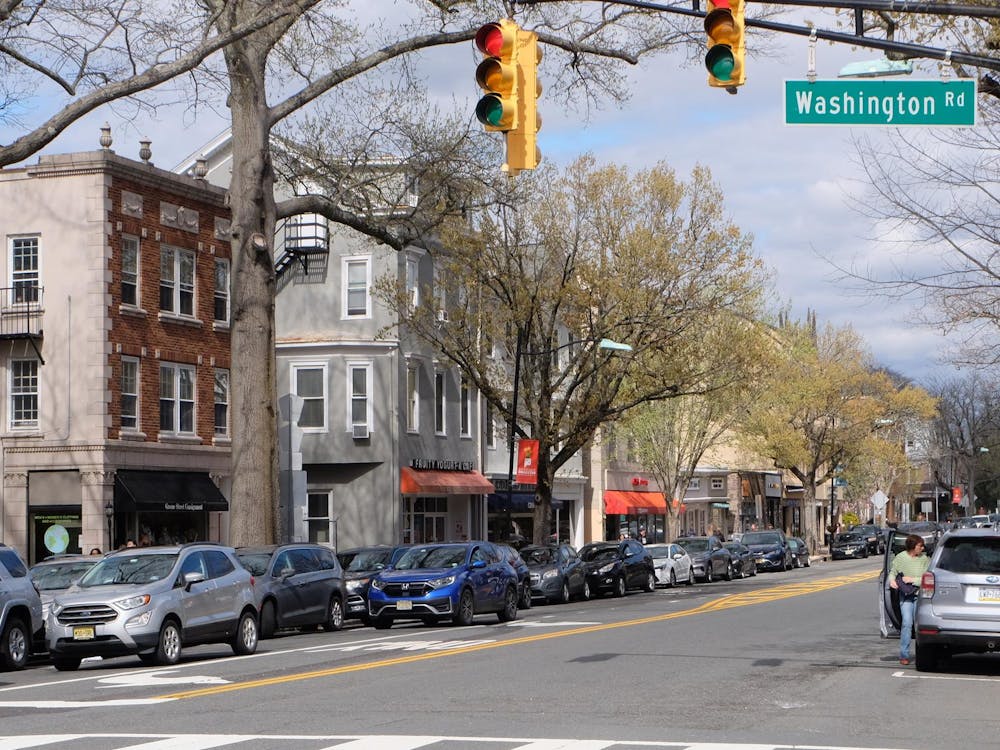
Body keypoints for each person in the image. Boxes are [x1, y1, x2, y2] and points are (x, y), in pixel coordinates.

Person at [888, 533, 930, 665]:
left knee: (919, 626)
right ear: (912, 546)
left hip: (920, 596)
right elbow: (893, 572)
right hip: (906, 596)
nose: (922, 548)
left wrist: (912, 580)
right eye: (920, 546)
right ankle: (904, 655)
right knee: (906, 623)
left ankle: (923, 654)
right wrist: (891, 581)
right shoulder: (901, 557)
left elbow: (927, 578)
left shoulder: (924, 559)